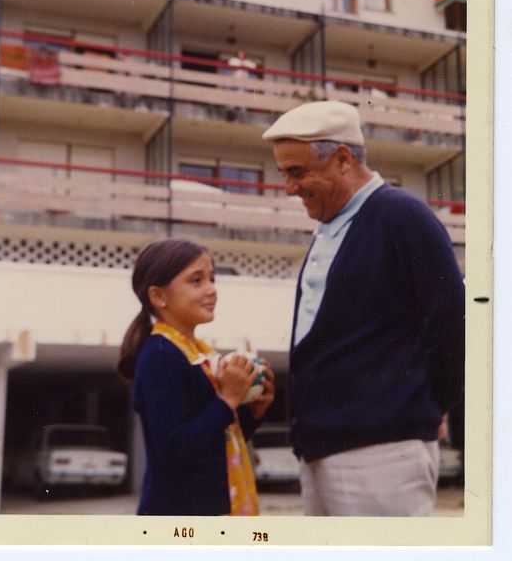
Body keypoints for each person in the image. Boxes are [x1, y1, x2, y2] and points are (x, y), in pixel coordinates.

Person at [261, 100, 465, 517]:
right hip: (321, 452)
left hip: (382, 456)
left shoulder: (402, 216)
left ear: (342, 159)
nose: (288, 188)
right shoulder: (330, 227)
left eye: (297, 172)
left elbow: (454, 329)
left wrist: (424, 409)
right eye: (284, 173)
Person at [117, 238, 275, 516]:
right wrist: (227, 400)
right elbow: (175, 452)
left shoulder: (197, 354)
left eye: (212, 279)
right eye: (196, 280)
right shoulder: (161, 355)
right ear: (158, 296)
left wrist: (250, 412)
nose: (211, 290)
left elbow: (214, 444)